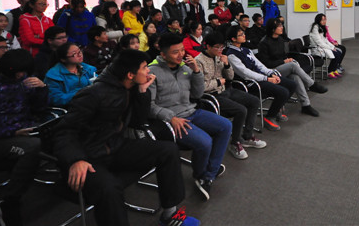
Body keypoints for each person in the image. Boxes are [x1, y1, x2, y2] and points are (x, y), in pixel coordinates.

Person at [52, 49, 200, 226]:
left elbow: (138, 122)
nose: (148, 71)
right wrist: (76, 160)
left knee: (168, 150)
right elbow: (64, 131)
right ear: (130, 74)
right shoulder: (93, 94)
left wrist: (143, 92)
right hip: (89, 155)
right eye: (144, 68)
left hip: (115, 146)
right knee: (109, 188)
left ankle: (170, 215)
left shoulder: (130, 88)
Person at [149, 33, 232, 201]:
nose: (180, 54)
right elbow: (149, 105)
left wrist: (196, 72)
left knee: (225, 126)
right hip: (172, 119)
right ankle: (202, 175)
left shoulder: (185, 68)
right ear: (163, 54)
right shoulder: (152, 72)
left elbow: (197, 94)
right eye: (175, 52)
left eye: (182, 50)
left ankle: (209, 172)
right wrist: (170, 117)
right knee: (205, 142)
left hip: (192, 111)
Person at [0, 49, 47, 226]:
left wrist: (42, 89)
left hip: (25, 130)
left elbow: (40, 109)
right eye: (18, 72)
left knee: (58, 133)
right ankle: (9, 203)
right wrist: (12, 132)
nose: (21, 75)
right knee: (33, 148)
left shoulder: (23, 80)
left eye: (24, 72)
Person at [196, 32, 266, 160]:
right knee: (241, 110)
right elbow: (200, 87)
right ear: (208, 46)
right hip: (212, 96)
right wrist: (218, 82)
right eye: (217, 47)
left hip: (226, 90)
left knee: (254, 101)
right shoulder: (198, 61)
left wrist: (227, 64)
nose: (220, 50)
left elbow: (230, 77)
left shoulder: (220, 57)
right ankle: (235, 143)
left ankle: (247, 136)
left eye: (222, 47)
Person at [226, 26, 297, 131]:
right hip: (250, 82)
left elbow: (259, 65)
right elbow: (245, 73)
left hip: (260, 77)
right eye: (241, 35)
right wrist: (266, 78)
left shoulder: (246, 50)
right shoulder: (231, 55)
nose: (244, 36)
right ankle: (270, 117)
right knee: (283, 92)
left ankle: (276, 109)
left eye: (243, 33)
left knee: (292, 85)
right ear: (233, 39)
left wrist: (271, 73)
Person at [258, 18, 327, 117]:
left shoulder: (280, 40)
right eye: (279, 26)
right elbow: (266, 63)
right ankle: (312, 84)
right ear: (273, 29)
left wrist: (286, 60)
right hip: (270, 71)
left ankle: (306, 105)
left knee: (296, 77)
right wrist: (284, 62)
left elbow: (284, 55)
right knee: (292, 65)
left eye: (281, 25)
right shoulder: (264, 43)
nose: (282, 28)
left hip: (282, 68)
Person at [44, 42, 97, 107]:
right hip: (68, 108)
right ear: (63, 59)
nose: (80, 55)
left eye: (79, 51)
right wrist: (82, 92)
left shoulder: (88, 69)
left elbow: (98, 84)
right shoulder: (54, 75)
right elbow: (56, 99)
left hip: (89, 104)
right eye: (74, 54)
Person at [309, 14, 344, 79]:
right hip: (318, 49)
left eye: (325, 19)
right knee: (336, 54)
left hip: (323, 47)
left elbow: (325, 40)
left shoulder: (321, 27)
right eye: (322, 20)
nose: (324, 21)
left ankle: (334, 70)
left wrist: (332, 47)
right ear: (318, 20)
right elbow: (319, 43)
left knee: (339, 52)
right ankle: (330, 71)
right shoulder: (315, 29)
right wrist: (331, 48)